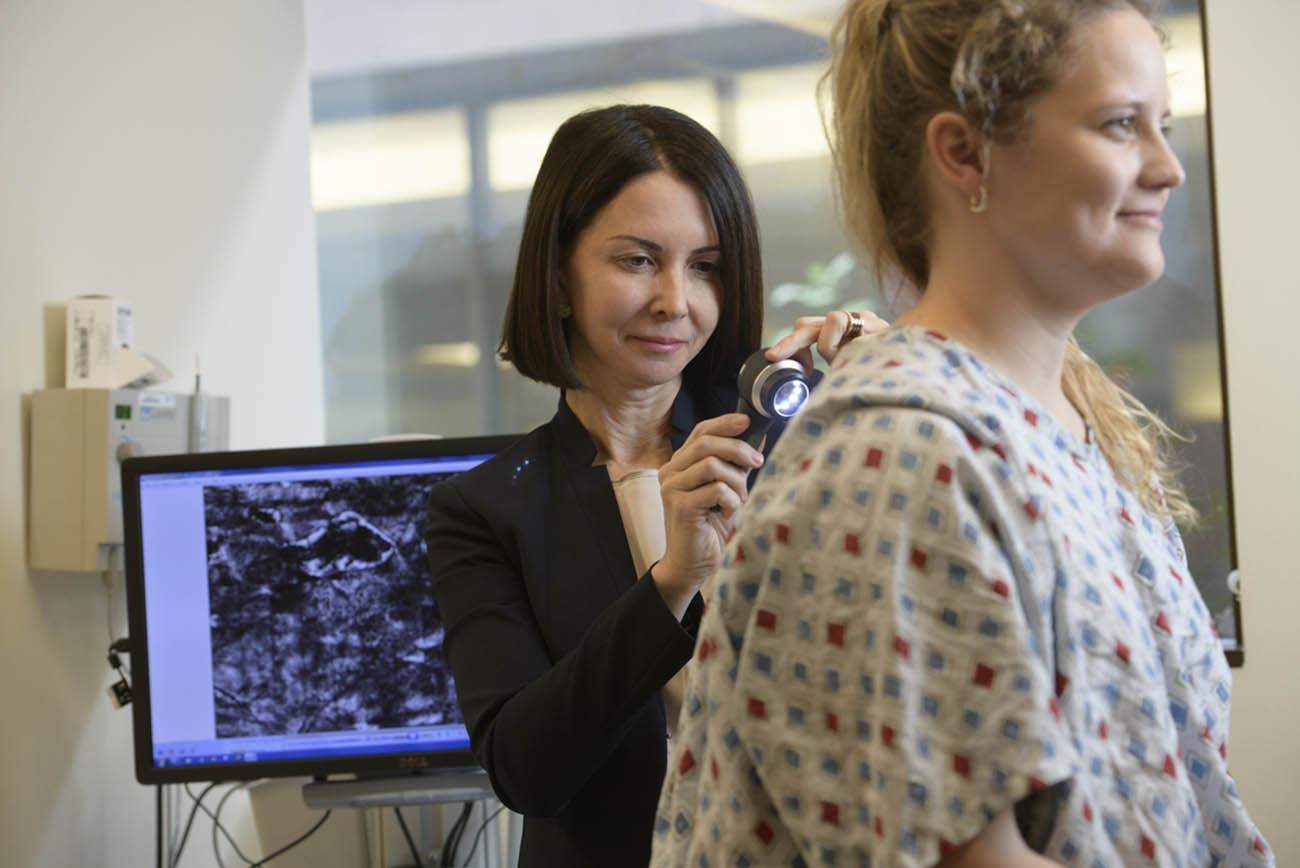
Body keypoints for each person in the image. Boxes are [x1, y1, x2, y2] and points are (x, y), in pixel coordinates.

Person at [652, 2, 1273, 867]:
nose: (1167, 167)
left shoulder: (1062, 430)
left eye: (1163, 126)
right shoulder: (900, 462)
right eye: (1121, 124)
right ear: (964, 152)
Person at [425, 104, 886, 867]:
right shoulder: (487, 509)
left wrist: (905, 389)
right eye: (638, 260)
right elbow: (524, 768)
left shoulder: (793, 453)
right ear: (560, 277)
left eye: (705, 266)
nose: (676, 300)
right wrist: (672, 581)